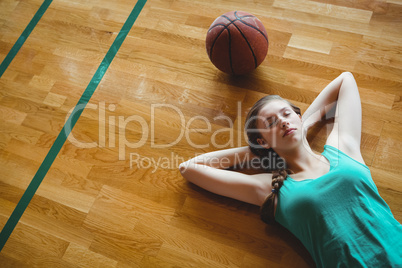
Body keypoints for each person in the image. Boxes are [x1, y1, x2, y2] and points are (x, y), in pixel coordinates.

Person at [179, 72, 402, 267]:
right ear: (262, 141)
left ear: (299, 116)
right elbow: (189, 168)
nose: (283, 122)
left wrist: (304, 126)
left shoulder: (342, 150)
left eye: (286, 114)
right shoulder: (275, 189)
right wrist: (257, 149)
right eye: (271, 123)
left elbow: (345, 80)